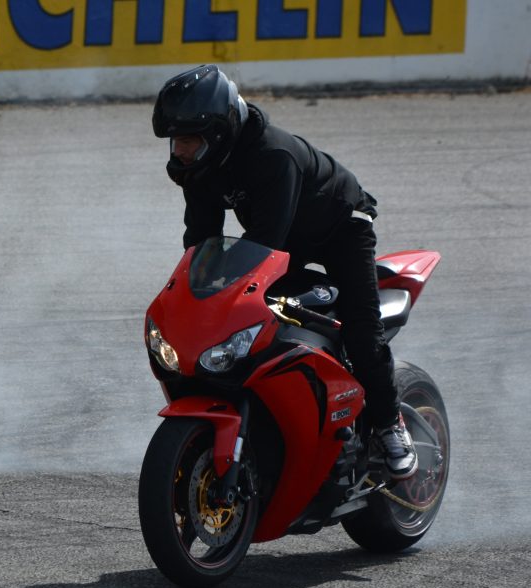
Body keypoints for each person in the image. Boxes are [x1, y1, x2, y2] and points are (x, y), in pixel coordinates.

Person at [152, 64, 417, 480]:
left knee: (362, 331)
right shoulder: (200, 166)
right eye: (175, 141)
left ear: (218, 133)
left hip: (341, 227)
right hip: (283, 234)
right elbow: (201, 241)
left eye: (187, 140)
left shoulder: (272, 156)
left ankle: (389, 424)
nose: (179, 150)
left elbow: (267, 242)